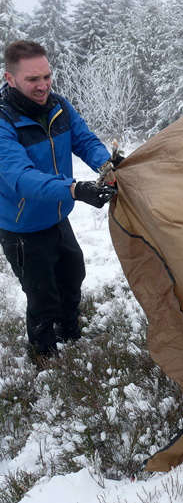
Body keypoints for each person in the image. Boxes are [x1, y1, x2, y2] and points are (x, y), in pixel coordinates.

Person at [0, 40, 120, 363]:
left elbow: (84, 140)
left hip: (56, 216)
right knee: (42, 295)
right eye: (32, 80)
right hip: (23, 225)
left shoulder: (59, 106)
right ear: (10, 79)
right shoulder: (3, 122)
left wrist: (106, 164)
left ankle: (71, 334)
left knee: (72, 274)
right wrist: (75, 189)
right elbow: (22, 178)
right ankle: (44, 355)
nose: (43, 86)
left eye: (47, 76)